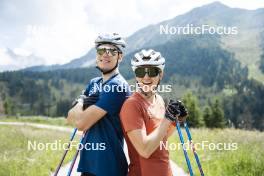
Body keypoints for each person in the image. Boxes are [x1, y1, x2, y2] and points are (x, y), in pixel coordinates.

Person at [67, 33, 131, 176]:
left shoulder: (117, 86)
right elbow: (70, 118)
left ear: (120, 56)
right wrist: (82, 102)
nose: (106, 55)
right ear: (97, 55)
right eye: (101, 50)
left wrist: (79, 104)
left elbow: (81, 123)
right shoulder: (94, 83)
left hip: (108, 165)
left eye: (112, 51)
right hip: (88, 163)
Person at [120, 49, 187, 176]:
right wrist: (167, 118)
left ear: (160, 74)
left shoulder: (159, 100)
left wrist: (175, 121)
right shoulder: (132, 105)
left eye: (152, 71)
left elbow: (162, 136)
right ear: (135, 75)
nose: (146, 77)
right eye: (140, 72)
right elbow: (145, 150)